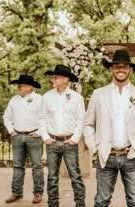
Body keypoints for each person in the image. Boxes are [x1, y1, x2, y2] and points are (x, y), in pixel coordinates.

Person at [83, 49, 135, 207]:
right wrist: (94, 146)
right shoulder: (98, 94)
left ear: (130, 69)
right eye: (117, 66)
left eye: (125, 66)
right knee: (101, 201)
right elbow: (88, 123)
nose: (121, 69)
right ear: (111, 69)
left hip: (131, 155)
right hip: (106, 155)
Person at [39, 64, 86, 207]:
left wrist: (74, 139)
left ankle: (80, 204)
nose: (53, 79)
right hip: (52, 142)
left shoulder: (77, 98)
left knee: (76, 176)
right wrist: (46, 137)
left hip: (69, 141)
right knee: (52, 177)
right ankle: (53, 204)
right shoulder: (47, 96)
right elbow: (42, 119)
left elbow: (81, 120)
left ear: (65, 79)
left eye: (56, 77)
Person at [3, 74, 44, 204]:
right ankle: (16, 192)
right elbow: (6, 117)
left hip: (34, 137)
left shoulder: (39, 99)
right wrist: (11, 130)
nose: (18, 87)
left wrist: (39, 132)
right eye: (19, 85)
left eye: (21, 85)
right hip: (18, 136)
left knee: (37, 166)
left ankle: (38, 193)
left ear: (29, 87)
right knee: (17, 166)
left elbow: (46, 118)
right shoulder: (14, 100)